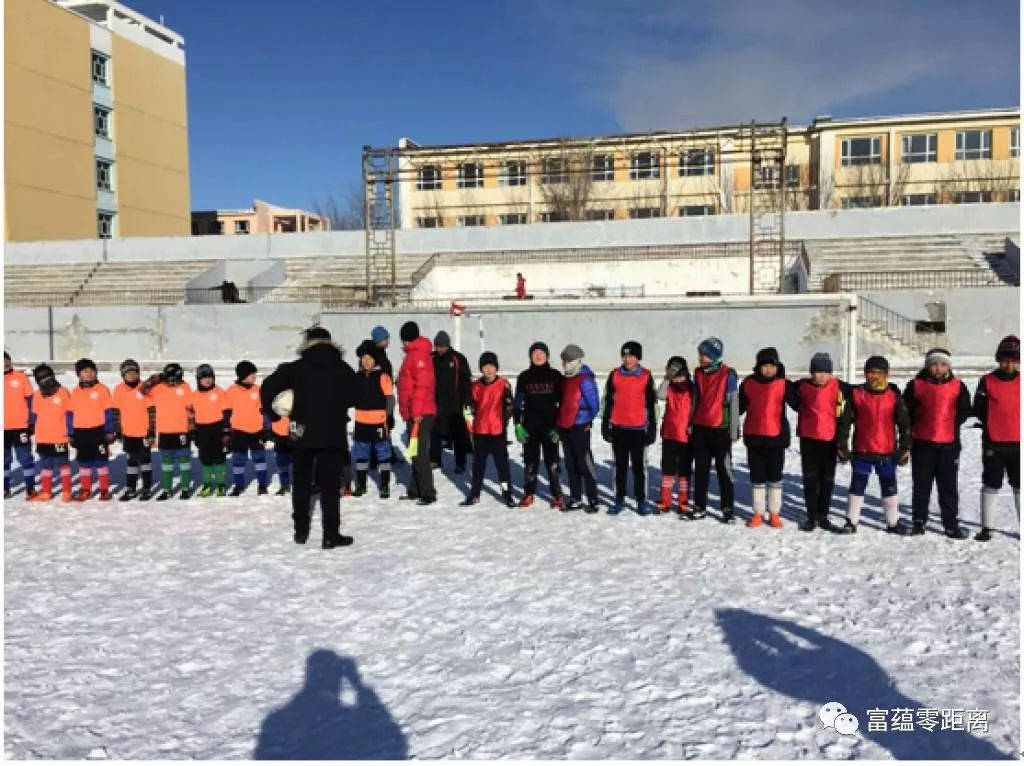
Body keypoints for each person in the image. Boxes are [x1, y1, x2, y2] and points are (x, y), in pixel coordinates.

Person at [260, 326, 356, 548]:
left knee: (301, 481)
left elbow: (266, 388)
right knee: (330, 485)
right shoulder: (342, 368)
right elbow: (356, 395)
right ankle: (330, 535)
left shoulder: (295, 368)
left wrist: (275, 413)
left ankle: (300, 531)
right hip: (333, 432)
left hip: (299, 430)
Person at [836, 355, 911, 535]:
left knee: (889, 487)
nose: (874, 377)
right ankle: (851, 521)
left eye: (879, 373)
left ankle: (893, 522)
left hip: (887, 452)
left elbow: (905, 425)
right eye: (870, 372)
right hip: (862, 451)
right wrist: (842, 446)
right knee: (857, 486)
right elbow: (845, 423)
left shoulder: (894, 397)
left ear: (887, 374)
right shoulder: (857, 396)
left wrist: (905, 448)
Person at [903, 348, 972, 538]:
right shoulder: (916, 385)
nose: (938, 368)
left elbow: (965, 410)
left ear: (948, 366)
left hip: (948, 446)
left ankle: (950, 523)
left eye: (942, 364)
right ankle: (919, 521)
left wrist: (951, 423)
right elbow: (906, 411)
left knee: (948, 487)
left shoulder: (958, 386)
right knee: (921, 485)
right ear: (927, 366)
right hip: (922, 444)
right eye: (934, 364)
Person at [787, 352, 844, 532]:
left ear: (831, 373)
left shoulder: (837, 385)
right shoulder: (802, 386)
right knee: (810, 479)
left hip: (829, 439)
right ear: (811, 372)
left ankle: (823, 516)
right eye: (817, 372)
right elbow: (786, 390)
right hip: (809, 439)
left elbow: (860, 391)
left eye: (825, 372)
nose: (821, 376)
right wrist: (799, 407)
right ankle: (811, 517)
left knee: (827, 480)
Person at [602, 340, 657, 515]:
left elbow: (652, 403)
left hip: (638, 429)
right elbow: (607, 401)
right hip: (619, 427)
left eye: (631, 356)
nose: (627, 360)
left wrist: (653, 426)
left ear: (638, 358)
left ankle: (641, 500)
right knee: (620, 467)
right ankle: (619, 500)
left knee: (639, 468)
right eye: (625, 356)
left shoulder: (646, 376)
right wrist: (605, 423)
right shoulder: (615, 375)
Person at [973, 335, 1020, 541]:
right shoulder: (987, 381)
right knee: (991, 483)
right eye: (1005, 359)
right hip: (994, 443)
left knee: (1019, 485)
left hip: (1019, 444)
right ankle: (987, 527)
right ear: (998, 359)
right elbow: (979, 409)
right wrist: (992, 424)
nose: (1008, 364)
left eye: (1013, 360)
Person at [689, 337, 739, 522]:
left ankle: (727, 507)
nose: (701, 358)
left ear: (714, 355)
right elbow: (696, 399)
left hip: (720, 428)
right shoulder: (698, 373)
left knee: (723, 469)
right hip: (701, 427)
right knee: (701, 469)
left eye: (705, 355)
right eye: (700, 354)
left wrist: (734, 430)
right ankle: (699, 506)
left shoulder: (728, 375)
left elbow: (734, 403)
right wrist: (690, 422)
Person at [739, 347, 790, 529]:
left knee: (775, 477)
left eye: (772, 366)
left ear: (777, 367)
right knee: (757, 478)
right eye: (764, 366)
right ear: (758, 367)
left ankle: (774, 512)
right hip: (754, 439)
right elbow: (738, 407)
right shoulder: (748, 384)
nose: (768, 369)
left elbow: (802, 402)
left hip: (776, 439)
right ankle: (758, 512)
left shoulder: (784, 384)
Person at [513, 341, 564, 509]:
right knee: (530, 462)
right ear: (530, 356)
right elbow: (517, 404)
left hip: (550, 428)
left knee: (552, 463)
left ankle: (557, 495)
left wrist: (558, 427)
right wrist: (518, 425)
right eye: (535, 353)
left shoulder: (556, 376)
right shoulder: (524, 377)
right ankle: (528, 493)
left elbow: (564, 404)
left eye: (542, 352)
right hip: (530, 428)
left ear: (547, 356)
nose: (538, 355)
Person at [460, 351, 515, 507]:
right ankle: (474, 493)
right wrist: (471, 422)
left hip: (497, 432)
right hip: (480, 432)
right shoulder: (476, 386)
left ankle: (507, 493)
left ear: (496, 368)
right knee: (478, 466)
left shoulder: (503, 384)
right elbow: (469, 407)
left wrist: (502, 422)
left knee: (502, 465)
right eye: (485, 367)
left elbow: (509, 406)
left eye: (491, 366)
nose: (488, 370)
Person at [555, 344, 601, 513]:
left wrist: (586, 418)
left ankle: (593, 499)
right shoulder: (565, 379)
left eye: (569, 361)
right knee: (571, 463)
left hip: (580, 426)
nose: (566, 364)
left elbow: (595, 405)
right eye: (564, 361)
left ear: (577, 361)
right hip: (565, 426)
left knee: (585, 463)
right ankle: (575, 498)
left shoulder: (585, 379)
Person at [397, 321, 437, 505]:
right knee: (414, 451)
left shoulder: (419, 355)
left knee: (420, 452)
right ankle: (415, 488)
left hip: (421, 413)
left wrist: (417, 412)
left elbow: (422, 386)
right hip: (414, 412)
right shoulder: (413, 354)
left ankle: (428, 492)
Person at [142, 363, 195, 501]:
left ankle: (185, 489)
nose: (174, 382)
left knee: (184, 461)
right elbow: (142, 389)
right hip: (165, 431)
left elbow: (190, 409)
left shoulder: (185, 387)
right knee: (167, 463)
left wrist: (191, 429)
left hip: (181, 431)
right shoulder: (158, 388)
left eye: (177, 379)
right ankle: (167, 490)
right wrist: (157, 377)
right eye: (171, 379)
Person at [351, 340, 395, 499]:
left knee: (383, 455)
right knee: (360, 455)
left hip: (378, 423)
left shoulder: (383, 377)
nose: (366, 361)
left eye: (369, 358)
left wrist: (387, 417)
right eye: (363, 358)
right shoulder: (357, 377)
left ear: (375, 359)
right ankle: (361, 485)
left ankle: (384, 486)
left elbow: (390, 399)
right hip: (361, 422)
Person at [68, 358, 115, 501]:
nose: (88, 374)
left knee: (101, 461)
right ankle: (86, 489)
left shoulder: (102, 390)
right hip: (81, 432)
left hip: (98, 431)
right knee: (84, 462)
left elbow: (108, 412)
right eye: (84, 371)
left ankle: (104, 490)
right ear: (79, 375)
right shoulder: (75, 392)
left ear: (96, 372)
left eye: (91, 370)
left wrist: (108, 431)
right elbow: (70, 414)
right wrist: (71, 433)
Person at [28, 364, 73, 503]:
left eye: (48, 376)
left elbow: (70, 414)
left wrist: (71, 432)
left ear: (53, 376)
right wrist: (30, 428)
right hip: (43, 437)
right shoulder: (36, 395)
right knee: (45, 465)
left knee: (63, 464)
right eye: (41, 378)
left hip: (60, 436)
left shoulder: (63, 392)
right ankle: (46, 491)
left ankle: (67, 491)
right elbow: (34, 415)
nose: (45, 380)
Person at [112, 358, 156, 501]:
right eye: (128, 373)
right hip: (128, 432)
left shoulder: (144, 387)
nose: (131, 376)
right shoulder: (119, 389)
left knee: (145, 461)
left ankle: (147, 488)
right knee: (131, 461)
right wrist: (117, 429)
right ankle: (131, 488)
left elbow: (151, 411)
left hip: (143, 432)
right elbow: (116, 411)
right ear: (123, 375)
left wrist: (151, 431)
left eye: (134, 373)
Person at [226, 360, 270, 496]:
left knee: (260, 459)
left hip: (257, 431)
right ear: (243, 375)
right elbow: (226, 413)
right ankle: (238, 485)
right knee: (238, 460)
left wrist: (266, 430)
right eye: (252, 374)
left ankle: (262, 485)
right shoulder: (231, 391)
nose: (255, 376)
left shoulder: (258, 390)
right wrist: (226, 431)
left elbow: (265, 411)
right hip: (239, 432)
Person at [430, 330, 471, 474]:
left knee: (458, 434)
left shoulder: (458, 359)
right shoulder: (431, 358)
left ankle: (460, 462)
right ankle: (435, 459)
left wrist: (466, 400)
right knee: (434, 432)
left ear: (448, 345)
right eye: (437, 346)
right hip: (435, 402)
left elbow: (466, 381)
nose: (440, 349)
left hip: (455, 404)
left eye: (443, 346)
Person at [656, 356, 693, 514]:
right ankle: (665, 500)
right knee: (668, 469)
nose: (677, 378)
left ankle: (683, 500)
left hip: (686, 435)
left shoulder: (692, 388)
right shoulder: (669, 386)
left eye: (679, 374)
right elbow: (660, 395)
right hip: (670, 434)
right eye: (673, 374)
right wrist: (666, 378)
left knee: (684, 470)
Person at [191, 363, 230, 498]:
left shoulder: (219, 392)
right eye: (204, 378)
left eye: (210, 377)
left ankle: (220, 486)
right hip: (202, 430)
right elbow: (192, 415)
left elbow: (226, 413)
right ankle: (207, 486)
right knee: (205, 459)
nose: (207, 380)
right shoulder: (194, 395)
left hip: (217, 428)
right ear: (198, 380)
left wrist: (226, 431)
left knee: (219, 459)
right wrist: (194, 432)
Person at [4, 351, 36, 499]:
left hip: (21, 426)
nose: (5, 363)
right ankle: (5, 489)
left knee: (25, 458)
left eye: (7, 360)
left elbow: (31, 401)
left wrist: (31, 422)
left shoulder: (21, 377)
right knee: (4, 459)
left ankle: (30, 489)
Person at [271, 409, 293, 496]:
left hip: (294, 427)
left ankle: (304, 485)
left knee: (300, 463)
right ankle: (284, 485)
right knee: (282, 463)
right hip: (278, 431)